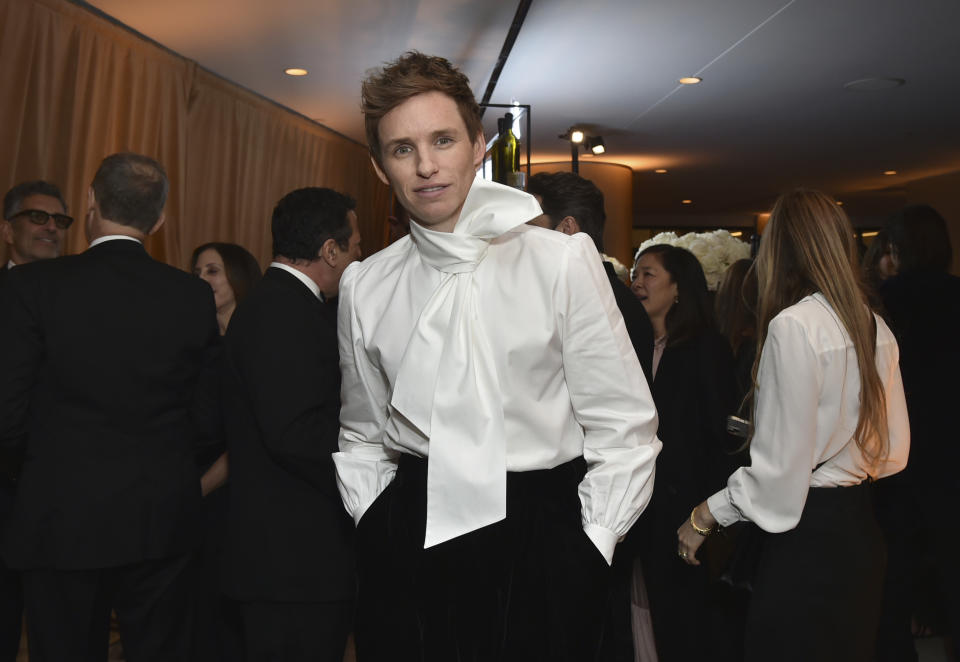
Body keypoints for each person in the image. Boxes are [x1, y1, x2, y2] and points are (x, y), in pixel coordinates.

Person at [333, 51, 661, 662]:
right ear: (380, 168)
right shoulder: (364, 285)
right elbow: (363, 431)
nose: (426, 165)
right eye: (402, 149)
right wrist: (376, 523)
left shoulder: (561, 261)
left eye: (442, 140)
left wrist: (592, 543)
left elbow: (625, 428)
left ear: (478, 145)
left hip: (544, 536)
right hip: (410, 537)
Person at [0, 152, 221, 662]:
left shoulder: (31, 286)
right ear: (160, 220)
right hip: (160, 517)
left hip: (59, 514)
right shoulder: (191, 296)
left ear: (91, 203)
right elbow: (208, 419)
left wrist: (34, 476)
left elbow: (7, 416)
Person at [677, 189, 910, 662]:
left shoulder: (795, 326)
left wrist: (706, 514)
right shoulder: (874, 325)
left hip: (808, 540)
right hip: (862, 532)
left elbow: (780, 480)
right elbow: (894, 451)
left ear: (780, 250)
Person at [220, 187, 360, 662]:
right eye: (354, 244)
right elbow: (296, 433)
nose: (358, 254)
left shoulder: (283, 305)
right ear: (329, 250)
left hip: (290, 556)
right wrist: (373, 463)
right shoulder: (282, 312)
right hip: (291, 559)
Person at [630, 244, 738, 661]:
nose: (637, 283)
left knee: (684, 622)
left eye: (649, 274)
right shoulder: (632, 347)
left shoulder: (704, 349)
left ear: (678, 288)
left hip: (685, 510)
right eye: (635, 274)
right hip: (640, 508)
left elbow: (719, 438)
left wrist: (706, 512)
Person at [874, 204, 960, 661]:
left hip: (901, 461)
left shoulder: (887, 303)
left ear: (895, 250)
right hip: (953, 461)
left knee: (892, 592)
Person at [0, 179, 74, 662]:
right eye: (37, 218)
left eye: (60, 221)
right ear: (8, 229)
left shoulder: (84, 301)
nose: (50, 228)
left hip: (63, 497)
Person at [189, 241, 261, 662]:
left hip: (233, 497)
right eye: (197, 272)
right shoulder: (193, 345)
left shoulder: (251, 344)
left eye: (213, 271)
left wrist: (198, 489)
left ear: (237, 277)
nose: (202, 280)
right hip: (192, 494)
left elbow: (245, 437)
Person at [527, 170, 654, 384]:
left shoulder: (600, 302)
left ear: (567, 228)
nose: (523, 240)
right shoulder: (600, 293)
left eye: (532, 228)